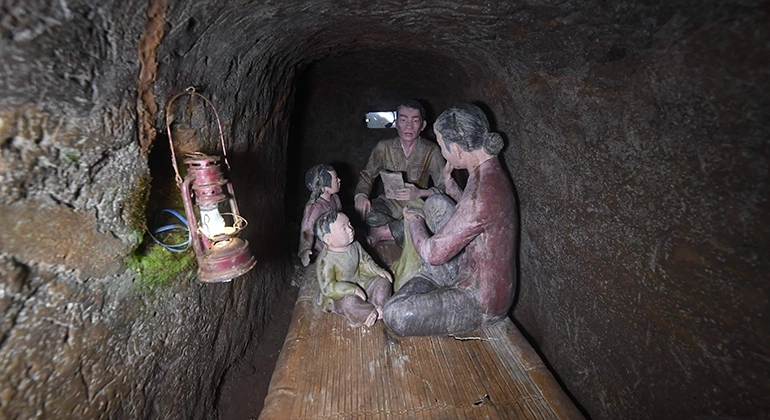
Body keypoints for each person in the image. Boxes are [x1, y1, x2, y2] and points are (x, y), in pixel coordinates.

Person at [383, 103, 518, 336]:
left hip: (482, 300)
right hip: (465, 268)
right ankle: (437, 279)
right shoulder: (487, 171)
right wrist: (450, 184)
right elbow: (471, 215)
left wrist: (414, 219)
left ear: (455, 149)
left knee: (396, 313)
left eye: (442, 146)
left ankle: (435, 281)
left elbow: (433, 254)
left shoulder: (483, 192)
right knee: (436, 203)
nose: (442, 152)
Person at [354, 100, 446, 246]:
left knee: (424, 223)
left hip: (417, 206)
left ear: (422, 126)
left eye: (415, 121)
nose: (409, 126)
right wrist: (361, 195)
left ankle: (383, 232)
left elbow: (444, 186)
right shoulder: (384, 147)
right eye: (403, 120)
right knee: (371, 215)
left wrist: (420, 193)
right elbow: (367, 175)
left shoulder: (432, 151)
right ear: (396, 123)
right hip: (389, 203)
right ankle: (394, 230)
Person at [314, 210, 393, 328]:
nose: (350, 230)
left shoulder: (355, 245)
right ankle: (367, 313)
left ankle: (379, 306)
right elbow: (328, 288)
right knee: (349, 303)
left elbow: (365, 261)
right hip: (340, 296)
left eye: (349, 224)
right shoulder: (325, 261)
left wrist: (377, 270)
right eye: (343, 229)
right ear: (328, 239)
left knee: (383, 281)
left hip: (361, 281)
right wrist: (352, 289)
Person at [297, 164, 343, 267]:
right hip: (323, 249)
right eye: (335, 179)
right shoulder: (315, 208)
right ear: (324, 187)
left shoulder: (335, 198)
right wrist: (305, 249)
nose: (339, 180)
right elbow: (306, 231)